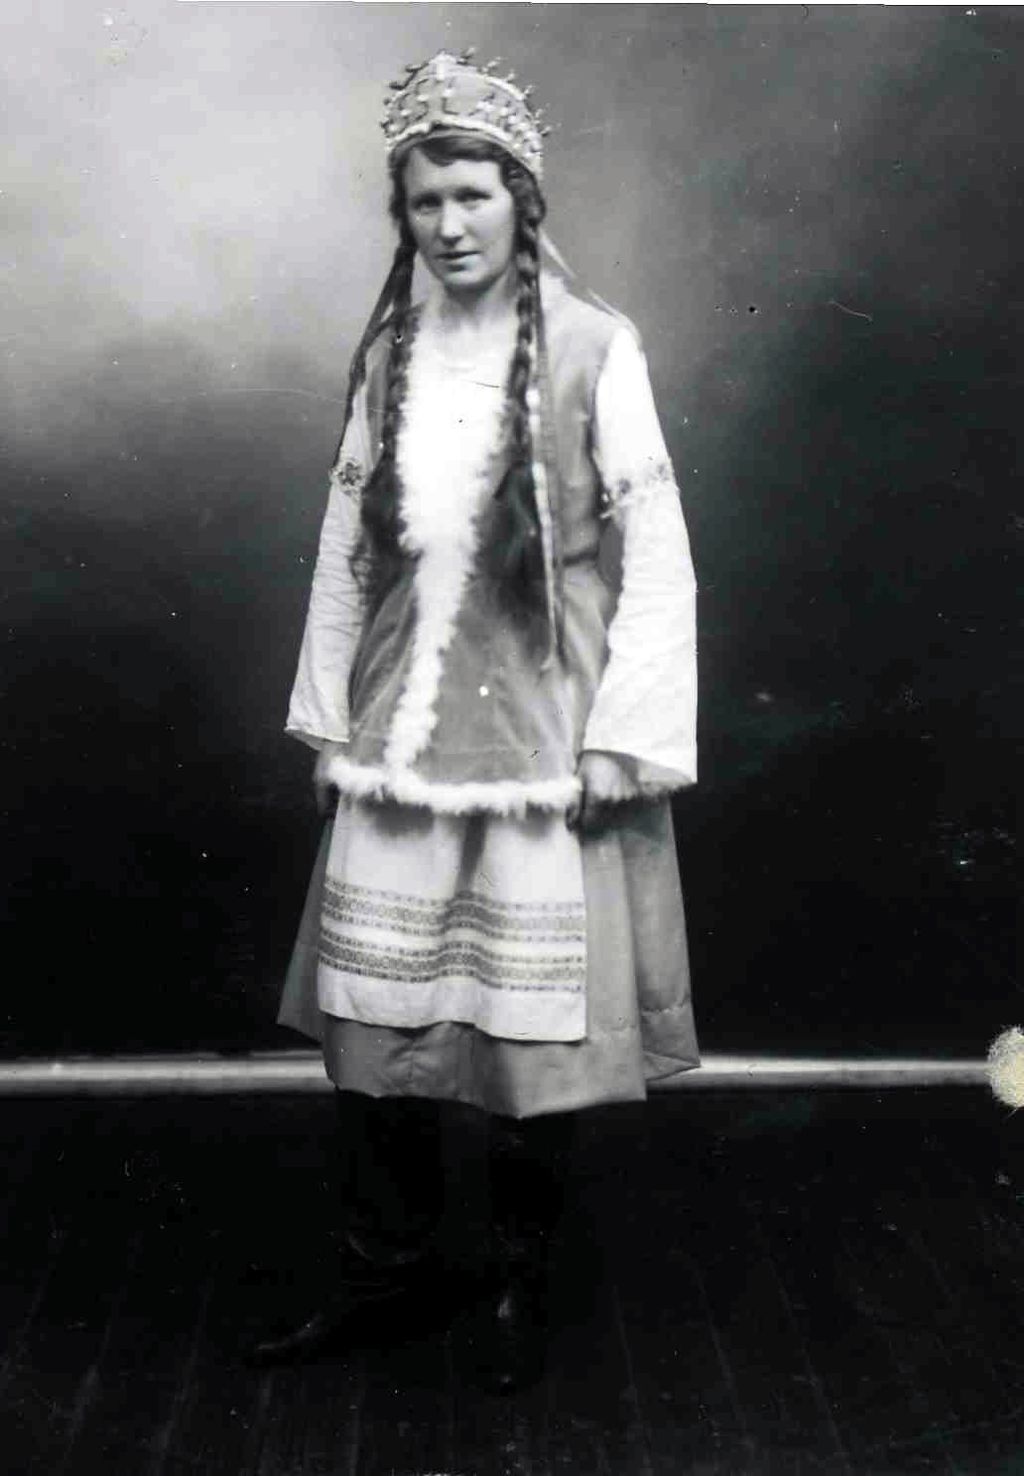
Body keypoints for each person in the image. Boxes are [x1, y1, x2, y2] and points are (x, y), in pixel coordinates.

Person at [251, 49, 700, 1392]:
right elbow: (347, 550)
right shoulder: (389, 357)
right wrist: (330, 718)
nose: (449, 225)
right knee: (377, 1031)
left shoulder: (595, 349)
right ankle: (383, 1273)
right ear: (403, 216)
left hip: (539, 732)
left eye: (473, 196)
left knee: (526, 1037)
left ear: (522, 203)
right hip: (399, 727)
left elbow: (658, 556)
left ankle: (520, 1285)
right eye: (425, 202)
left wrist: (619, 737)